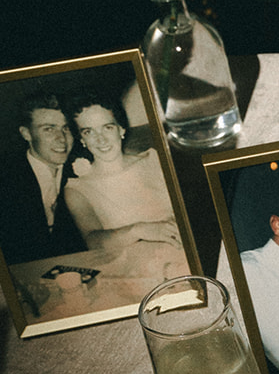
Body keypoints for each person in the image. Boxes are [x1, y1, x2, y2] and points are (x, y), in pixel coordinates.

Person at [61, 95, 180, 254]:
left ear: (121, 129)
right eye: (89, 132)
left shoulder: (155, 160)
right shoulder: (77, 189)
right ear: (82, 139)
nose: (100, 139)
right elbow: (92, 241)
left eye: (107, 127)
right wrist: (137, 230)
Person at [1, 89, 87, 264]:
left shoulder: (84, 165)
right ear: (26, 134)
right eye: (49, 129)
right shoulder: (6, 177)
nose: (61, 138)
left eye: (65, 128)